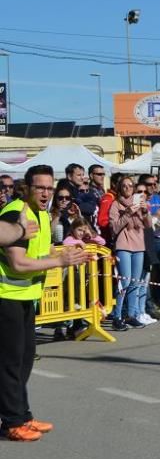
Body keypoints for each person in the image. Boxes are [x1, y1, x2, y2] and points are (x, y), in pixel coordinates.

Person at [0, 165, 88, 442]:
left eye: (50, 188)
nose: (46, 193)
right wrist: (60, 262)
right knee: (11, 364)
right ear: (27, 188)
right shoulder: (16, 213)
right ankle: (12, 422)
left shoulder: (41, 213)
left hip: (27, 297)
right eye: (40, 188)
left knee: (25, 360)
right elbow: (18, 262)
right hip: (7, 298)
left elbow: (44, 249)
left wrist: (68, 252)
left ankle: (22, 415)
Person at [108, 176, 154, 330]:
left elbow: (148, 225)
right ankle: (117, 316)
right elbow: (114, 228)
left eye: (130, 185)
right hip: (123, 245)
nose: (127, 188)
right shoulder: (115, 204)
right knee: (124, 282)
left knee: (135, 282)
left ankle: (131, 315)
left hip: (139, 245)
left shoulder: (140, 203)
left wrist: (146, 211)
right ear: (119, 188)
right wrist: (127, 213)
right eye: (124, 186)